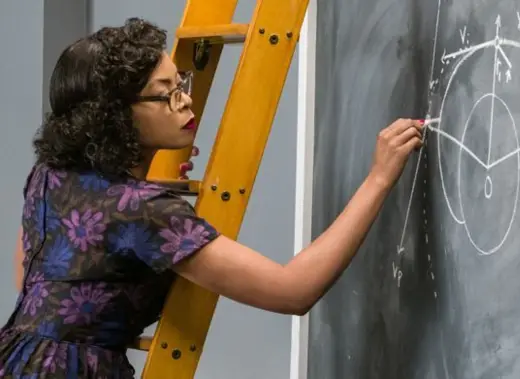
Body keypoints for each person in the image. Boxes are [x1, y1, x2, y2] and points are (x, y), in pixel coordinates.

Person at [0, 17, 425, 378]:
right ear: (114, 115)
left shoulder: (50, 175)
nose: (185, 100)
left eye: (179, 83)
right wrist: (379, 178)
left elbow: (29, 280)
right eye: (166, 93)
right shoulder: (144, 211)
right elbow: (293, 290)